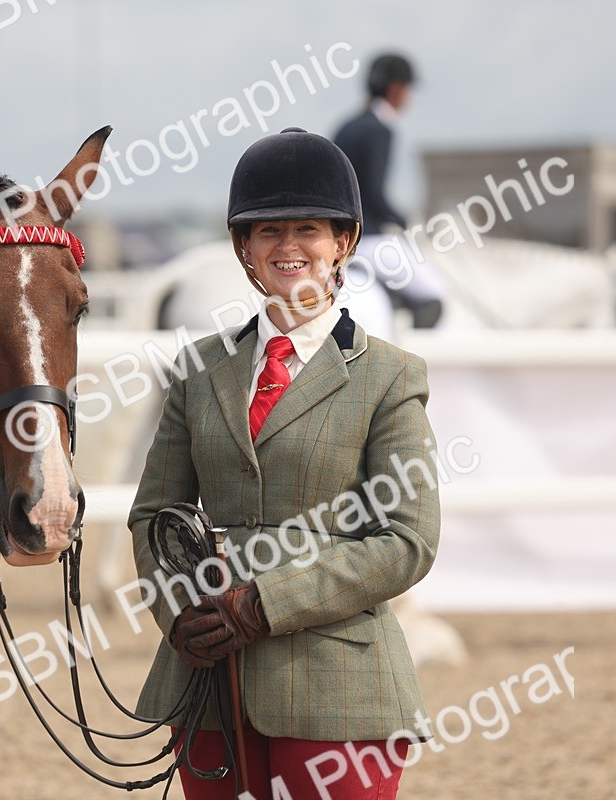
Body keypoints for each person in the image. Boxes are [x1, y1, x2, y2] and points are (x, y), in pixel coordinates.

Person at [128, 127, 441, 800]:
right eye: (268, 231)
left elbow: (407, 541)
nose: (289, 247)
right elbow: (153, 514)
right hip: (209, 680)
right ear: (244, 248)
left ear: (343, 243)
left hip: (338, 683)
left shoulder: (389, 377)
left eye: (308, 229)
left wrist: (267, 603)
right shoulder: (198, 369)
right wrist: (178, 609)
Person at [334, 53, 445, 338]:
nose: (408, 97)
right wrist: (407, 220)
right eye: (408, 90)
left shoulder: (347, 126)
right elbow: (374, 195)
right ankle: (416, 361)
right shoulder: (379, 129)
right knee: (435, 294)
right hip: (369, 239)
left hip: (340, 236)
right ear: (396, 89)